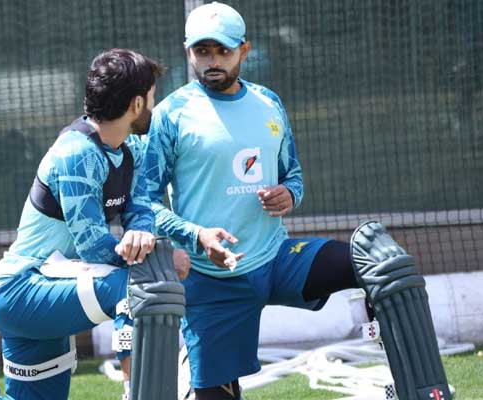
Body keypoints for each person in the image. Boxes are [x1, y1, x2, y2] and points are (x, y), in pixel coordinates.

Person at [145, 3, 360, 399]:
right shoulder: (170, 115)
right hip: (212, 281)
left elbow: (292, 175)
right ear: (187, 51)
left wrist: (289, 194)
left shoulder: (268, 102)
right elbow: (145, 203)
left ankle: (416, 384)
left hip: (278, 257)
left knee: (375, 263)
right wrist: (196, 236)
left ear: (244, 50)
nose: (212, 62)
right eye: (202, 52)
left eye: (222, 52)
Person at [0, 48, 190, 400]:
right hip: (20, 290)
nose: (154, 106)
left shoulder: (132, 149)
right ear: (137, 104)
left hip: (53, 286)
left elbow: (141, 208)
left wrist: (143, 237)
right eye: (153, 97)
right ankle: (137, 392)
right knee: (137, 288)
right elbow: (93, 246)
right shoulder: (76, 154)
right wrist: (157, 257)